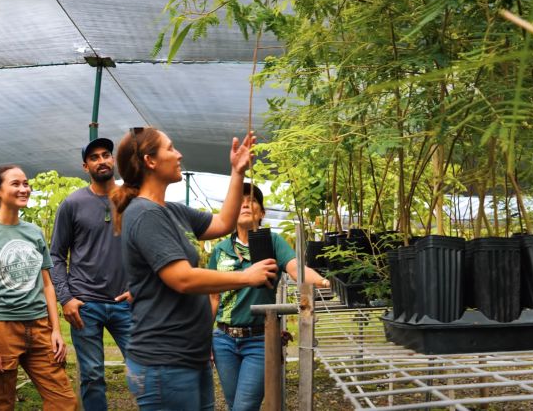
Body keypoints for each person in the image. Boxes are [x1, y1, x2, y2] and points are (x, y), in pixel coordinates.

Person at [109, 127, 278, 410]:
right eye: (171, 148)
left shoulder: (172, 211)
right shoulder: (144, 214)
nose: (179, 154)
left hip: (188, 357)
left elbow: (223, 223)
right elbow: (182, 278)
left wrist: (237, 173)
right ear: (150, 160)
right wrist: (245, 277)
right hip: (164, 361)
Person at [0, 164, 78, 411]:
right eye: (15, 184)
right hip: (1, 328)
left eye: (26, 183)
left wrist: (55, 330)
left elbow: (47, 284)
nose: (24, 189)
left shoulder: (34, 232)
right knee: (1, 404)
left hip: (39, 328)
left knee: (64, 401)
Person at [208, 182, 329, 411]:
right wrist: (205, 339)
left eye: (252, 200)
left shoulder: (272, 242)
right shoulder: (220, 249)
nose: (245, 203)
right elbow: (213, 297)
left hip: (259, 340)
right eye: (240, 200)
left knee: (244, 407)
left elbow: (296, 269)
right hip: (223, 340)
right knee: (235, 404)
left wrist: (324, 282)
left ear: (262, 212)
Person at [50, 138, 132, 411]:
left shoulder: (131, 200)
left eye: (106, 155)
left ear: (113, 160)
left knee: (144, 368)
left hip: (126, 303)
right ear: (86, 166)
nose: (102, 161)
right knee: (93, 375)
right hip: (85, 304)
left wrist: (140, 289)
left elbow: (145, 250)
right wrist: (66, 298)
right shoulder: (73, 203)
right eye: (94, 157)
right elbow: (56, 255)